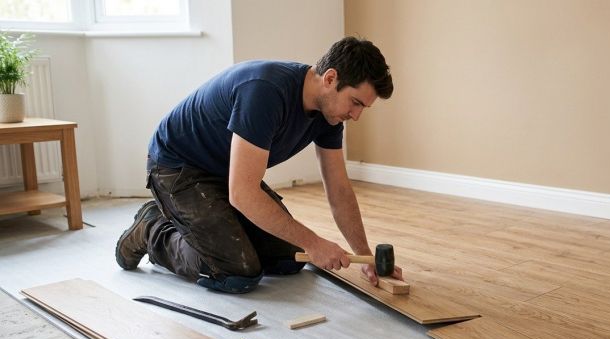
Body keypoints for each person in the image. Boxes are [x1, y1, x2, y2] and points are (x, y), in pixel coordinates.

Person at [115, 36, 403, 294]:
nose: (356, 115)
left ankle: (211, 225)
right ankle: (151, 229)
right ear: (330, 78)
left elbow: (339, 190)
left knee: (290, 258)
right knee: (237, 271)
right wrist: (315, 242)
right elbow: (242, 193)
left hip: (225, 172)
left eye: (363, 107)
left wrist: (366, 256)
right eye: (355, 103)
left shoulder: (329, 116)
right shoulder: (266, 91)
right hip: (178, 168)